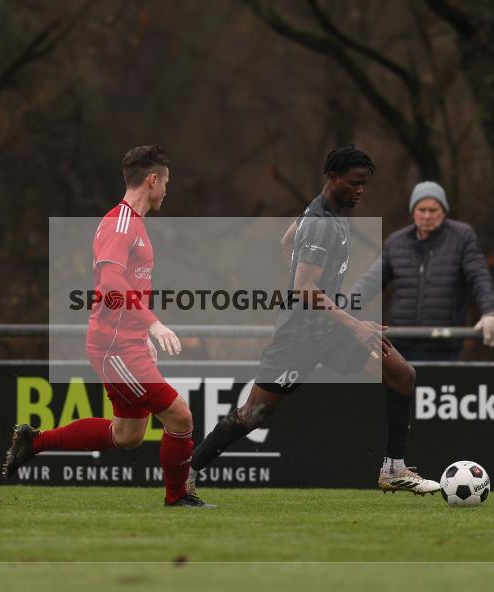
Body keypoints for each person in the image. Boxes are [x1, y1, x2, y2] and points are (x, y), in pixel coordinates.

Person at [186, 146, 441, 498]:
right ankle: (189, 468)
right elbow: (304, 288)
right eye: (354, 183)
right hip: (298, 338)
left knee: (401, 375)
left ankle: (393, 469)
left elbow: (287, 241)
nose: (361, 190)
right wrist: (354, 324)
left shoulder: (328, 212)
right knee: (252, 416)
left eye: (364, 183)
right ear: (333, 178)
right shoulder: (321, 223)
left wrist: (330, 306)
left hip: (329, 328)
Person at [2, 145, 213, 508]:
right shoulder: (120, 224)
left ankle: (33, 442)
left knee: (128, 434)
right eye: (166, 183)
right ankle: (177, 497)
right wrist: (154, 324)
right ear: (152, 180)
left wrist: (143, 331)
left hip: (124, 341)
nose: (166, 191)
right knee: (180, 415)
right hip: (116, 346)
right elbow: (112, 283)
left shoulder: (132, 224)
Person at [349, 181, 494, 361]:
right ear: (413, 212)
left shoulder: (462, 237)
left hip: (444, 343)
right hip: (400, 343)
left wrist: (491, 312)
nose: (427, 216)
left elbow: (479, 277)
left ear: (444, 211)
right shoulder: (396, 242)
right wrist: (342, 312)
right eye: (422, 210)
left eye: (433, 210)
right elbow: (369, 283)